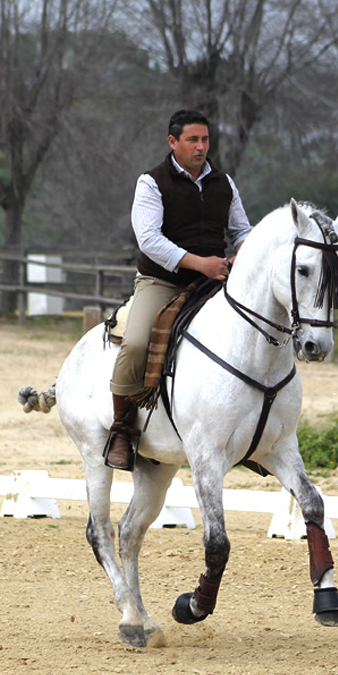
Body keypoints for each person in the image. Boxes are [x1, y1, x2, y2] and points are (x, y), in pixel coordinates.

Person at [105, 109, 253, 470]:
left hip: (214, 280)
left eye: (205, 140)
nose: (201, 147)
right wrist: (201, 262)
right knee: (137, 342)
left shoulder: (224, 183)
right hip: (162, 281)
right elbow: (150, 240)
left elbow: (242, 231)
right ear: (173, 142)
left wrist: (242, 255)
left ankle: (248, 430)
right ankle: (123, 428)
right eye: (193, 140)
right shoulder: (151, 183)